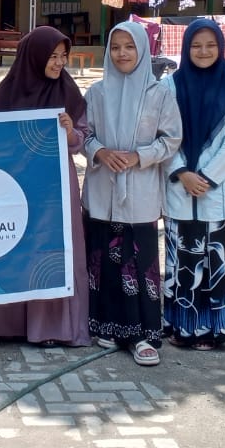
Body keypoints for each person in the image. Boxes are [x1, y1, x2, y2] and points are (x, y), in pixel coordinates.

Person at [82, 20, 181, 366]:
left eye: (130, 47)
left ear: (143, 50)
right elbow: (85, 135)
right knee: (102, 263)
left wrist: (140, 156)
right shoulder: (97, 92)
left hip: (139, 191)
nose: (122, 53)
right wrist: (100, 152)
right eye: (116, 47)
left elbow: (171, 139)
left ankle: (142, 335)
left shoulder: (159, 93)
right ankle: (106, 327)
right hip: (102, 189)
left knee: (138, 265)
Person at [0, 25, 90, 347]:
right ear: (34, 57)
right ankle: (12, 324)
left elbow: (81, 139)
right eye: (52, 56)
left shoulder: (69, 92)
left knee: (54, 250)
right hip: (17, 185)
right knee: (16, 246)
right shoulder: (6, 95)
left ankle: (52, 328)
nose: (59, 63)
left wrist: (70, 132)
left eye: (63, 57)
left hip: (57, 186)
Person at [161, 19, 225, 350]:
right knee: (181, 263)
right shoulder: (170, 87)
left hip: (217, 192)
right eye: (196, 45)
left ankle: (215, 330)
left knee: (216, 263)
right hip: (180, 189)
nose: (203, 51)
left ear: (222, 48)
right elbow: (164, 135)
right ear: (185, 48)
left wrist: (207, 176)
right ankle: (180, 326)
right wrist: (182, 171)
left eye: (211, 45)